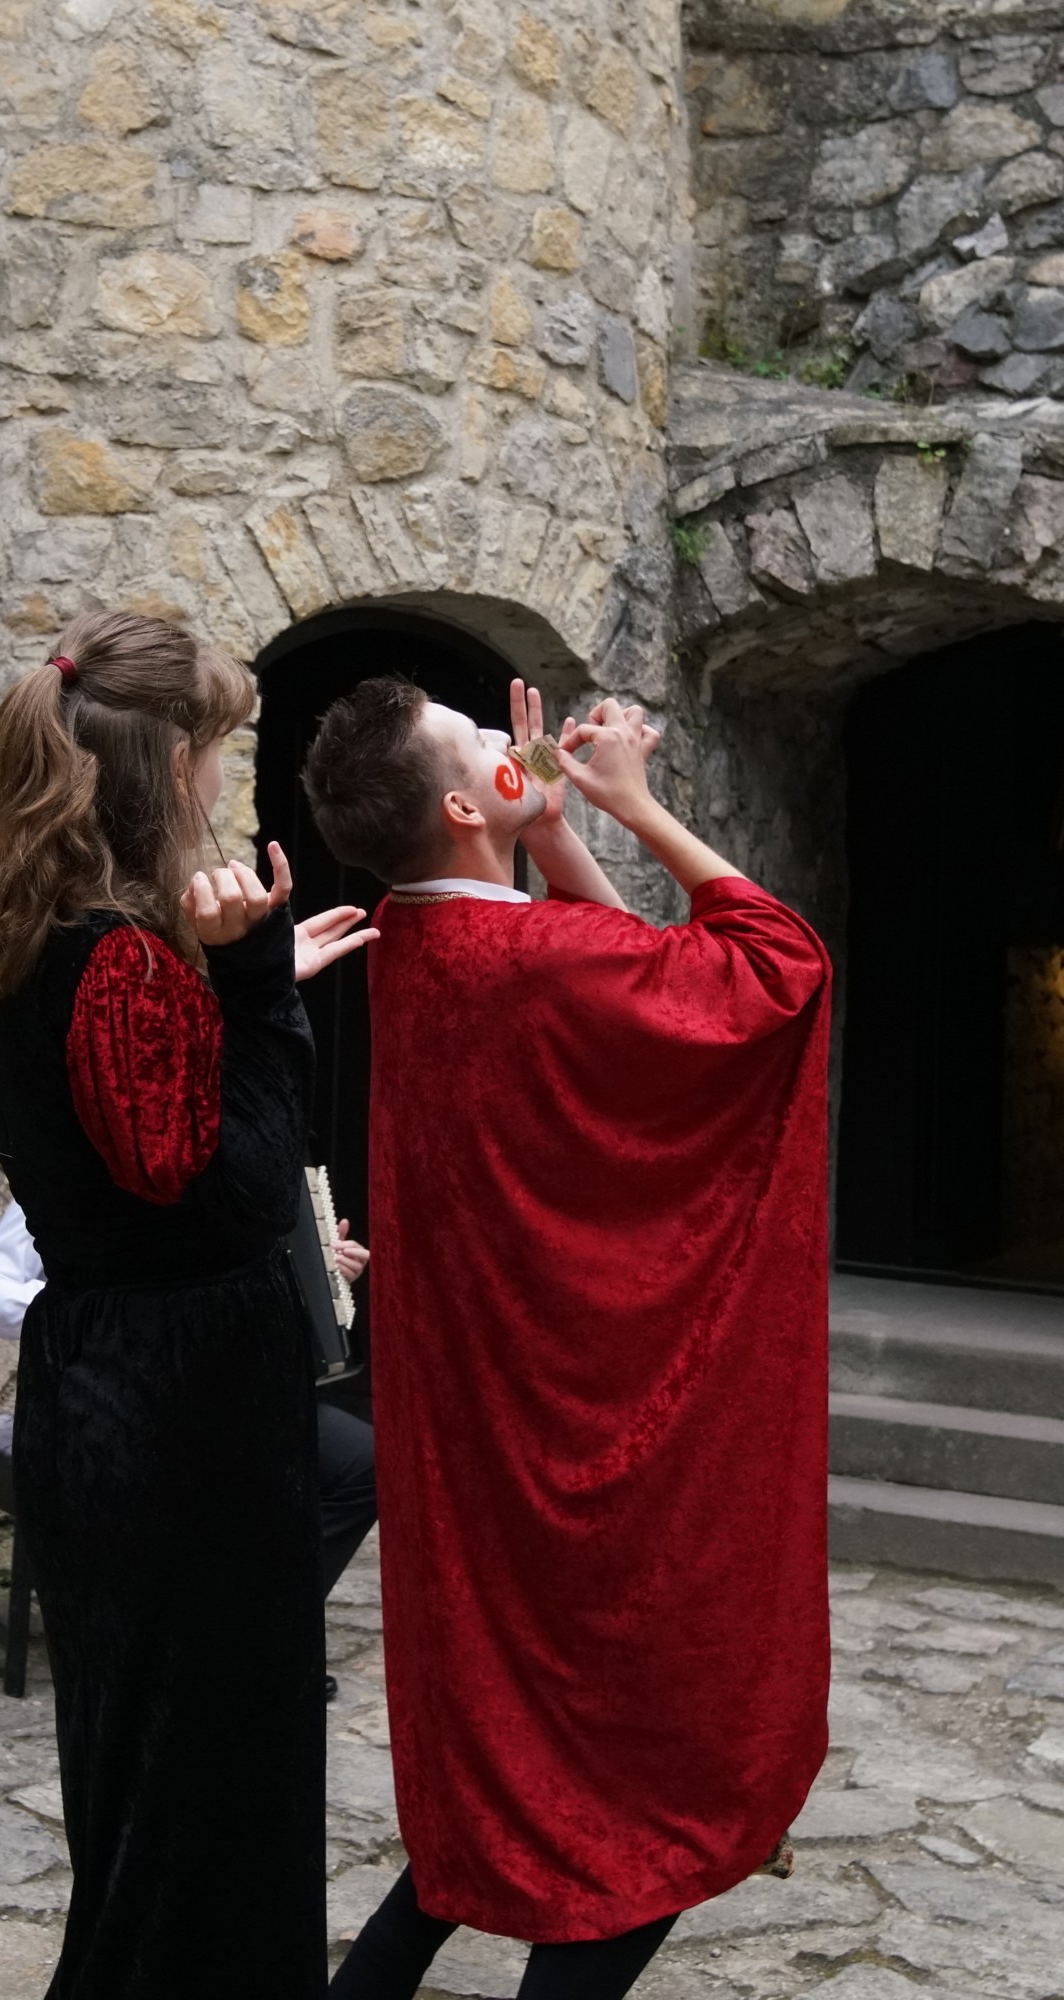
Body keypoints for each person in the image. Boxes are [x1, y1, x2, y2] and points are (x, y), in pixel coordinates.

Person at [302, 678, 832, 2000]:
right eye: (483, 739)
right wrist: (632, 807)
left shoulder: (417, 937)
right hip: (585, 1442)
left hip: (487, 1439)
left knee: (494, 1796)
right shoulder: (525, 958)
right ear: (458, 803)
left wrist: (544, 832)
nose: (512, 739)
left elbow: (637, 991)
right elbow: (771, 970)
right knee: (635, 1820)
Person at [0, 609, 375, 2000]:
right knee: (210, 1781)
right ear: (163, 764)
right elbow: (229, 1196)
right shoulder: (124, 961)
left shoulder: (22, 929)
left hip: (104, 1378)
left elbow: (138, 1143)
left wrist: (229, 988)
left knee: (143, 1769)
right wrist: (253, 989)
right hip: (182, 1406)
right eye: (215, 748)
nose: (219, 777)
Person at [0, 1198, 378, 1616]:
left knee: (365, 1463)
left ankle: (261, 1622)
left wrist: (323, 1275)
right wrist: (96, 1309)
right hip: (120, 1403)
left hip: (239, 1395)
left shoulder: (247, 1179)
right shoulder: (64, 1172)